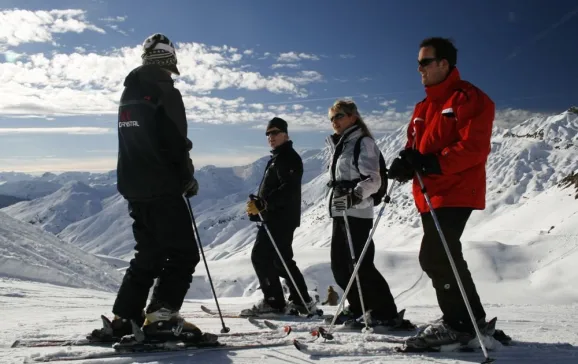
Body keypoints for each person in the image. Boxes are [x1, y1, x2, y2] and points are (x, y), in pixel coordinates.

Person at [388, 37, 505, 349]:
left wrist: (431, 162)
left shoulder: (470, 98)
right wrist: (406, 162)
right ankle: (469, 318)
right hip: (429, 192)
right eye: (418, 63)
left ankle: (461, 324)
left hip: (457, 188)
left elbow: (474, 147)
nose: (420, 69)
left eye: (425, 62)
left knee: (436, 254)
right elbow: (415, 146)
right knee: (441, 255)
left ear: (445, 63)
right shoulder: (424, 106)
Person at [91, 33, 202, 342]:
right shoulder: (166, 92)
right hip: (162, 185)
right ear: (171, 60)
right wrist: (187, 177)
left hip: (133, 185)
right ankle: (162, 316)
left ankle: (125, 317)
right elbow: (176, 143)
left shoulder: (130, 92)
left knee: (149, 253)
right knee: (183, 254)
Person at [325, 100, 414, 331]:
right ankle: (359, 307)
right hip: (341, 210)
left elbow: (373, 180)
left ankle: (385, 312)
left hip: (357, 212)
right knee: (340, 267)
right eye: (332, 118)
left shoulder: (363, 142)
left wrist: (354, 197)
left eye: (340, 116)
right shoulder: (342, 144)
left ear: (353, 117)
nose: (335, 121)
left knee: (361, 265)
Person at [241, 117, 318, 316]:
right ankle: (300, 300)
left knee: (262, 256)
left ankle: (275, 302)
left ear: (285, 134)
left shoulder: (288, 158)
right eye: (268, 133)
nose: (271, 137)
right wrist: (259, 208)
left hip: (281, 219)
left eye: (274, 132)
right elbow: (277, 190)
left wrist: (264, 204)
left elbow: (289, 189)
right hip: (275, 217)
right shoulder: (277, 158)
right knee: (280, 260)